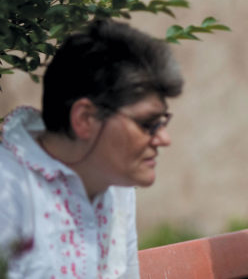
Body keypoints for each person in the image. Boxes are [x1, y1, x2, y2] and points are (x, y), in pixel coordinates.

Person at [0, 19, 183, 278]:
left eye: (162, 122)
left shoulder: (117, 185)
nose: (164, 138)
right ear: (85, 119)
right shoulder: (9, 192)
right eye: (147, 124)